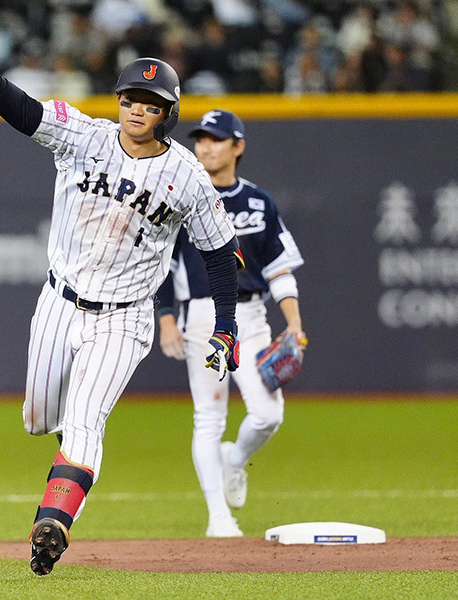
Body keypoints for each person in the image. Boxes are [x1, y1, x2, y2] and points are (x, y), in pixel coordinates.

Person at [0, 26, 243, 575]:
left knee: (86, 422)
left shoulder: (187, 175)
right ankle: (71, 452)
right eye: (131, 97)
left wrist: (226, 324)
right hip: (60, 302)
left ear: (168, 113)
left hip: (125, 318)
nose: (137, 108)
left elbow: (222, 252)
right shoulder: (84, 135)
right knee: (39, 419)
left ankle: (53, 524)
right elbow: (24, 112)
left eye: (151, 102)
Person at [156, 110, 306, 537]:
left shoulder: (259, 202)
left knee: (267, 415)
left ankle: (235, 460)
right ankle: (218, 517)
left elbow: (280, 271)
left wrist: (293, 324)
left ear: (238, 146)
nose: (205, 146)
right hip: (203, 316)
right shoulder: (181, 198)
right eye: (201, 138)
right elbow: (161, 266)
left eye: (216, 139)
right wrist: (167, 318)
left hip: (253, 315)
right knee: (209, 417)